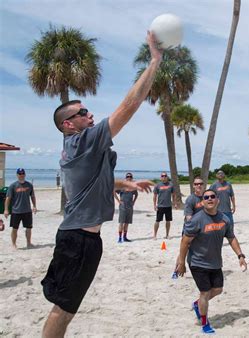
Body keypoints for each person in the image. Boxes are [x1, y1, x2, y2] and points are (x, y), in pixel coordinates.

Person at [40, 31, 162, 338]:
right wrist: (155, 61)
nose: (89, 113)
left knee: (65, 308)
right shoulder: (83, 141)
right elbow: (129, 107)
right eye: (82, 113)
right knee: (62, 310)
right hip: (78, 241)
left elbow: (92, 185)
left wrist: (125, 185)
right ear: (68, 124)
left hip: (82, 240)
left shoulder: (76, 149)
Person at [176, 189, 247, 334]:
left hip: (215, 262)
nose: (209, 199)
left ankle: (197, 305)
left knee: (218, 290)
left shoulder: (224, 219)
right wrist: (181, 263)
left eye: (212, 196)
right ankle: (204, 323)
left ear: (217, 200)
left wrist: (240, 255)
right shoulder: (196, 220)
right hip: (197, 262)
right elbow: (185, 242)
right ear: (202, 202)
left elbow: (231, 237)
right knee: (204, 292)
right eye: (206, 197)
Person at [4, 168, 37, 249]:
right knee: (15, 228)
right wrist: (6, 209)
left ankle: (28, 243)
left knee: (29, 228)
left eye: (22, 173)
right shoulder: (13, 186)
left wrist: (34, 206)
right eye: (19, 174)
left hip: (27, 211)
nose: (21, 175)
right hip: (16, 211)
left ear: (25, 174)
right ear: (17, 175)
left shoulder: (29, 185)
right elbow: (8, 198)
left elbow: (32, 196)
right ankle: (14, 244)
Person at [114, 172, 138, 243]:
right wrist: (118, 201)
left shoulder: (133, 187)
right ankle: (120, 238)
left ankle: (125, 237)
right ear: (126, 178)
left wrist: (133, 202)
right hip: (123, 206)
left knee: (127, 222)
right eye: (127, 177)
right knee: (121, 222)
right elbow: (114, 191)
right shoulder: (122, 186)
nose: (129, 178)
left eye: (130, 177)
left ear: (132, 178)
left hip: (130, 206)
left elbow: (136, 194)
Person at [153, 172, 177, 239]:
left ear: (167, 177)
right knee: (157, 221)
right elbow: (155, 196)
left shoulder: (171, 185)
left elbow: (174, 195)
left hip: (168, 206)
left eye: (165, 176)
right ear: (161, 177)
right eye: (162, 176)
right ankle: (155, 235)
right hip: (160, 206)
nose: (164, 177)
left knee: (168, 221)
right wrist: (154, 205)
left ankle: (167, 234)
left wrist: (175, 203)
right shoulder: (157, 185)